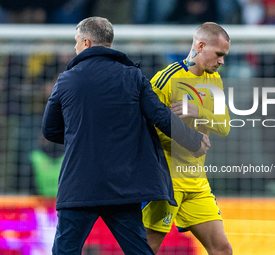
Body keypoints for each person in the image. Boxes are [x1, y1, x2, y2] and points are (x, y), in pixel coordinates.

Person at [42, 16, 211, 255]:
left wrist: (81, 137)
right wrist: (194, 140)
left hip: (79, 184)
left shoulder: (67, 79)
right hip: (122, 185)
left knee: (65, 251)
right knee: (138, 250)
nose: (75, 47)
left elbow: (49, 130)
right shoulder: (133, 76)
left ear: (87, 43)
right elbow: (161, 117)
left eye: (76, 42)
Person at [142, 22, 233, 255]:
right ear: (200, 46)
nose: (222, 61)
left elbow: (224, 127)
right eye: (219, 54)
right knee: (146, 249)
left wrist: (197, 111)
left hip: (196, 182)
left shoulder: (215, 81)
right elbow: (145, 128)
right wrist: (188, 138)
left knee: (222, 249)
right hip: (166, 181)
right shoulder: (166, 79)